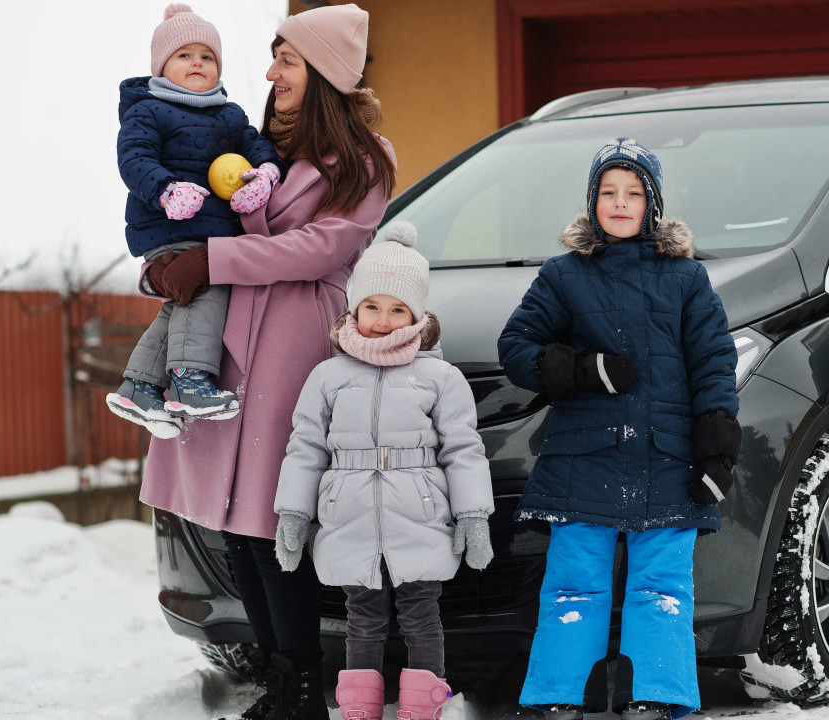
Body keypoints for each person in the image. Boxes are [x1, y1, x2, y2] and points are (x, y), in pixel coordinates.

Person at [136, 4, 398, 719]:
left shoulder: (366, 160)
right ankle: (284, 686)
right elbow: (187, 217)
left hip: (290, 347)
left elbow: (319, 249)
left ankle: (305, 685)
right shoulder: (257, 146)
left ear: (323, 72)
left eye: (286, 59)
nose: (269, 71)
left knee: (271, 520)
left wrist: (211, 258)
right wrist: (165, 266)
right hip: (224, 341)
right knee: (232, 524)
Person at [498, 138, 742, 720]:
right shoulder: (564, 276)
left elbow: (713, 362)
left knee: (661, 587)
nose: (620, 202)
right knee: (573, 583)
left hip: (667, 457)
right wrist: (580, 369)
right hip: (586, 456)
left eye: (634, 193)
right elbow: (516, 347)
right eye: (608, 192)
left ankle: (655, 694)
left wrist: (716, 451)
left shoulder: (685, 280)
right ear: (592, 201)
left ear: (653, 205)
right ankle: (560, 695)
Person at [274, 221, 495, 720]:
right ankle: (360, 711)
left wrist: (473, 515)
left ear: (417, 314)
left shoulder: (440, 376)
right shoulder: (327, 376)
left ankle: (424, 709)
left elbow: (463, 449)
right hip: (349, 515)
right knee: (363, 618)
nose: (383, 320)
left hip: (417, 513)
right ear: (353, 307)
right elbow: (305, 446)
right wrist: (292, 514)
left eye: (398, 310)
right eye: (372, 306)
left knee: (422, 615)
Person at [107, 4, 282, 438]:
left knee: (182, 301)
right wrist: (166, 190)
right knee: (207, 288)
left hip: (212, 231)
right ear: (162, 65)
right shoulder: (147, 110)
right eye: (184, 55)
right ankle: (188, 380)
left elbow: (256, 145)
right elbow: (133, 159)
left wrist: (266, 173)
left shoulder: (229, 113)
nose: (197, 63)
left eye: (206, 56)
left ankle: (141, 386)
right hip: (168, 227)